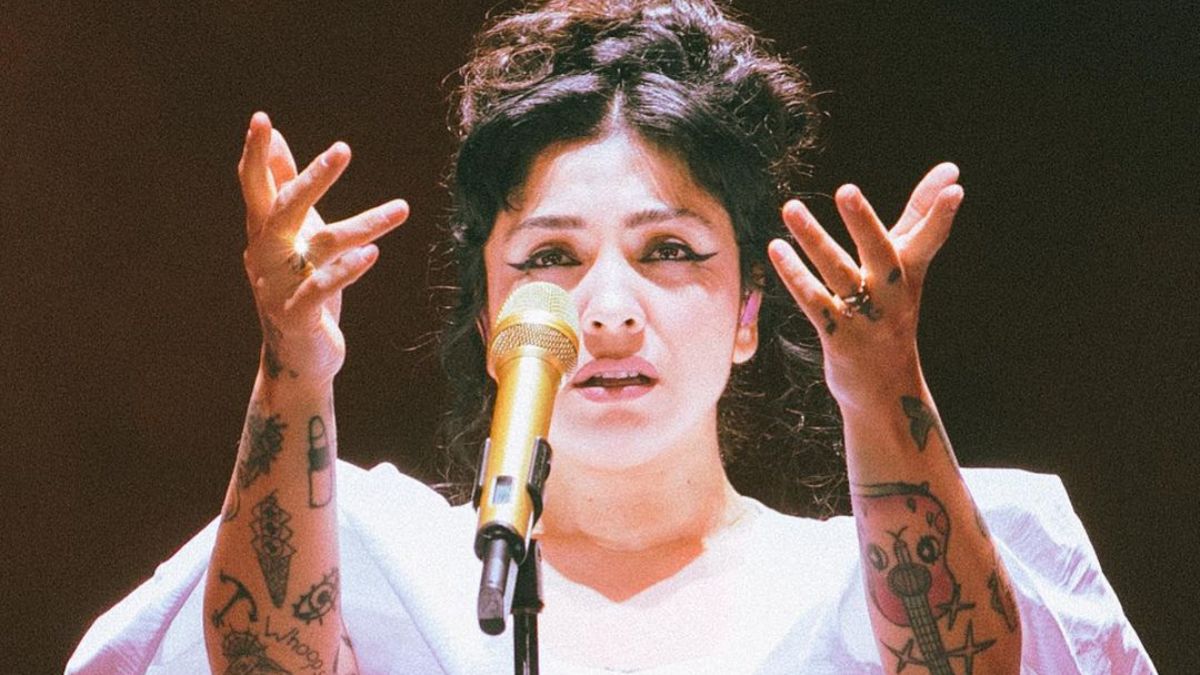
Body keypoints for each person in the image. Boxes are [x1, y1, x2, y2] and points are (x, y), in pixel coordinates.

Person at [69, 1, 1153, 673]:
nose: (608, 309)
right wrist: (293, 364)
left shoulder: (843, 591)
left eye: (670, 249)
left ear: (748, 313)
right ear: (489, 316)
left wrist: (881, 386)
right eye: (550, 256)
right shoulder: (382, 563)